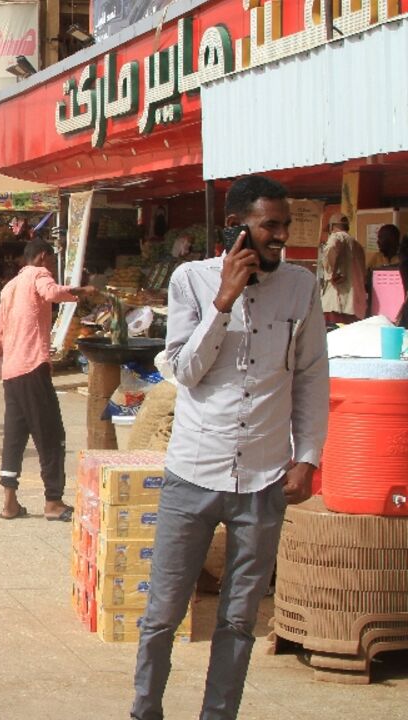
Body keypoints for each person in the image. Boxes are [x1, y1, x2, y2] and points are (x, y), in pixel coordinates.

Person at [131, 175, 328, 720]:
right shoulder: (191, 280)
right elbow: (185, 371)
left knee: (239, 621)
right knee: (163, 614)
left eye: (285, 225)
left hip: (263, 481)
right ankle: (145, 710)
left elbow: (312, 376)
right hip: (193, 474)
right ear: (236, 226)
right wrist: (223, 301)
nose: (281, 236)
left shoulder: (301, 287)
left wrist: (308, 455)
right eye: (270, 225)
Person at [0, 240, 92, 521]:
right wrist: (81, 291)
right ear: (43, 257)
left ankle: (9, 502)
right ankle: (53, 501)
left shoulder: (9, 287)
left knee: (14, 437)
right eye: (51, 263)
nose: (52, 269)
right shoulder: (38, 274)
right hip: (32, 367)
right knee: (50, 434)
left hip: (11, 371)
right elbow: (52, 293)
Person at [317, 229, 367, 324]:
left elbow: (332, 248)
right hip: (354, 305)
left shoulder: (337, 236)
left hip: (337, 305)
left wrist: (335, 272)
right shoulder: (358, 246)